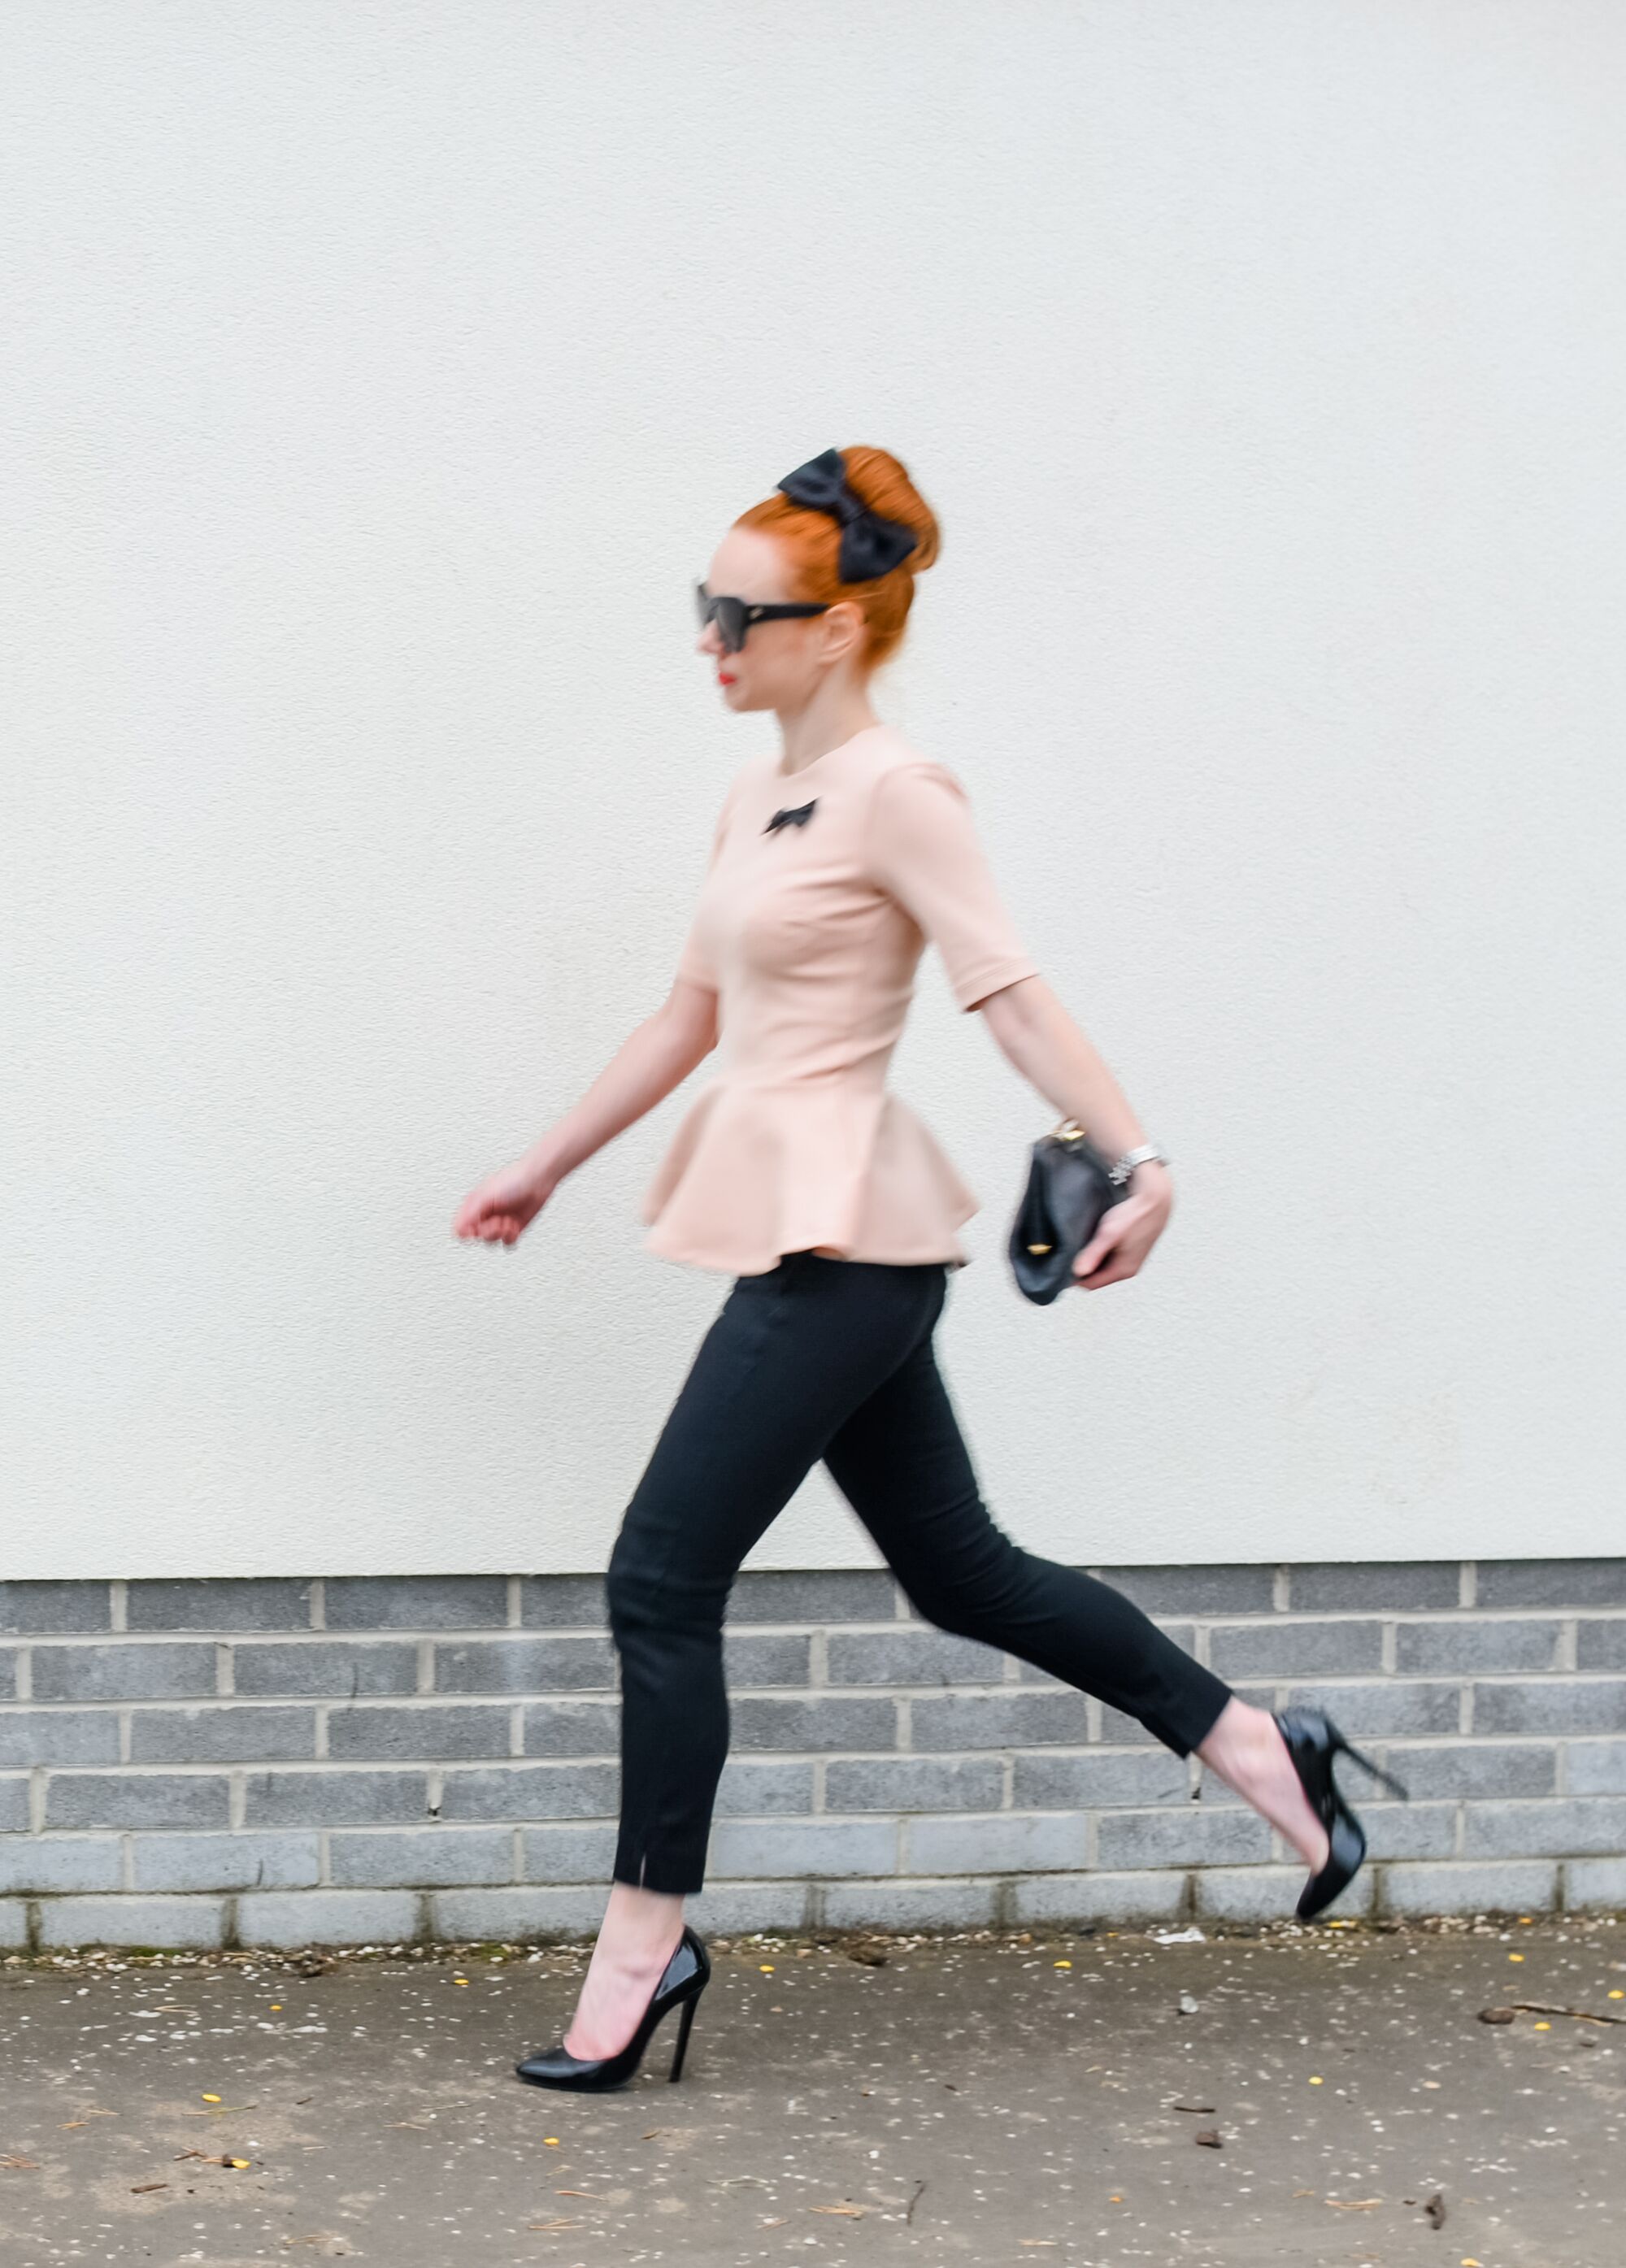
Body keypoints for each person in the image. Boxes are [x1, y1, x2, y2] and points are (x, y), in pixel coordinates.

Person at [452, 445, 1408, 2093]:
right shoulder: (756, 795)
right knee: (962, 1571)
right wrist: (545, 1164)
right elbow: (690, 1016)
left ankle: (642, 1944)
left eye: (738, 614)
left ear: (836, 628)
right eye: (704, 610)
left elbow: (1007, 989)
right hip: (808, 1241)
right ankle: (1264, 1747)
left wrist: (1138, 1154)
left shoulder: (902, 791)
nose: (710, 640)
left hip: (846, 1254)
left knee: (659, 1582)